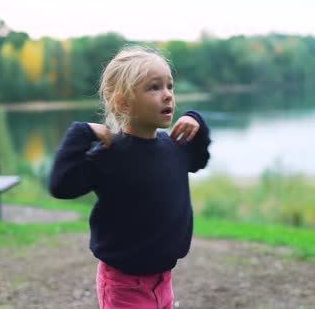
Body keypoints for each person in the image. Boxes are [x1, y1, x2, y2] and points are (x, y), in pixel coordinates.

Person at [49, 45, 211, 309]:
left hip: (164, 280)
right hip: (124, 284)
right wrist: (81, 132)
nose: (168, 95)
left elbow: (198, 160)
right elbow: (62, 185)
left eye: (170, 86)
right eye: (154, 87)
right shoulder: (111, 154)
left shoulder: (172, 147)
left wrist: (197, 123)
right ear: (123, 101)